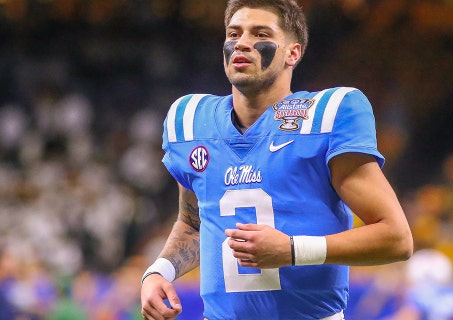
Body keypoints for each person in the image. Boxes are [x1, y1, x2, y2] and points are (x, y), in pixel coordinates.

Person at [140, 0, 413, 319]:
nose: (242, 42)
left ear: (292, 53)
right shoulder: (189, 121)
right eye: (234, 33)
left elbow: (396, 238)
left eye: (260, 33)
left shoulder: (327, 115)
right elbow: (194, 222)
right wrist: (158, 272)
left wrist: (294, 250)